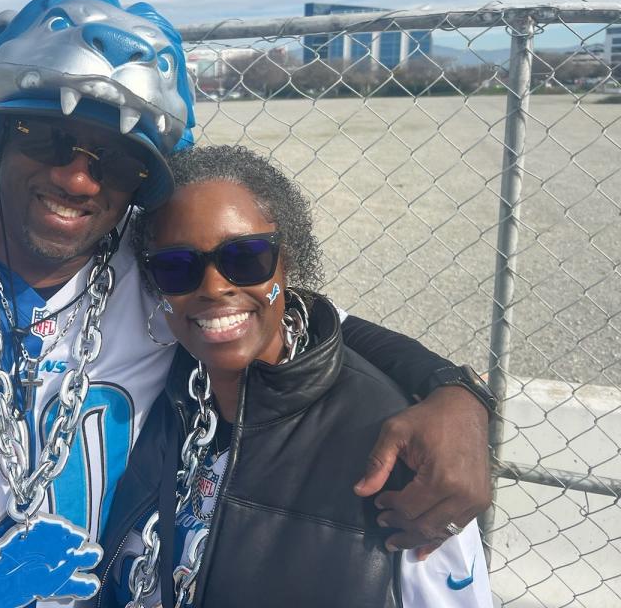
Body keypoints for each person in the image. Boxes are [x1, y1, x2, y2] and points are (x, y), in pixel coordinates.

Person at [0, 0, 494, 608]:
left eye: (117, 159)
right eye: (45, 138)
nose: (75, 178)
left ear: (141, 181)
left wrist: (456, 394)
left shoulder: (163, 273)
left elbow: (295, 320)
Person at [97, 144, 493, 607]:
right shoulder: (157, 395)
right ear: (154, 285)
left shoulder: (395, 449)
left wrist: (462, 390)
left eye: (245, 258)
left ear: (287, 264)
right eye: (176, 267)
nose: (214, 287)